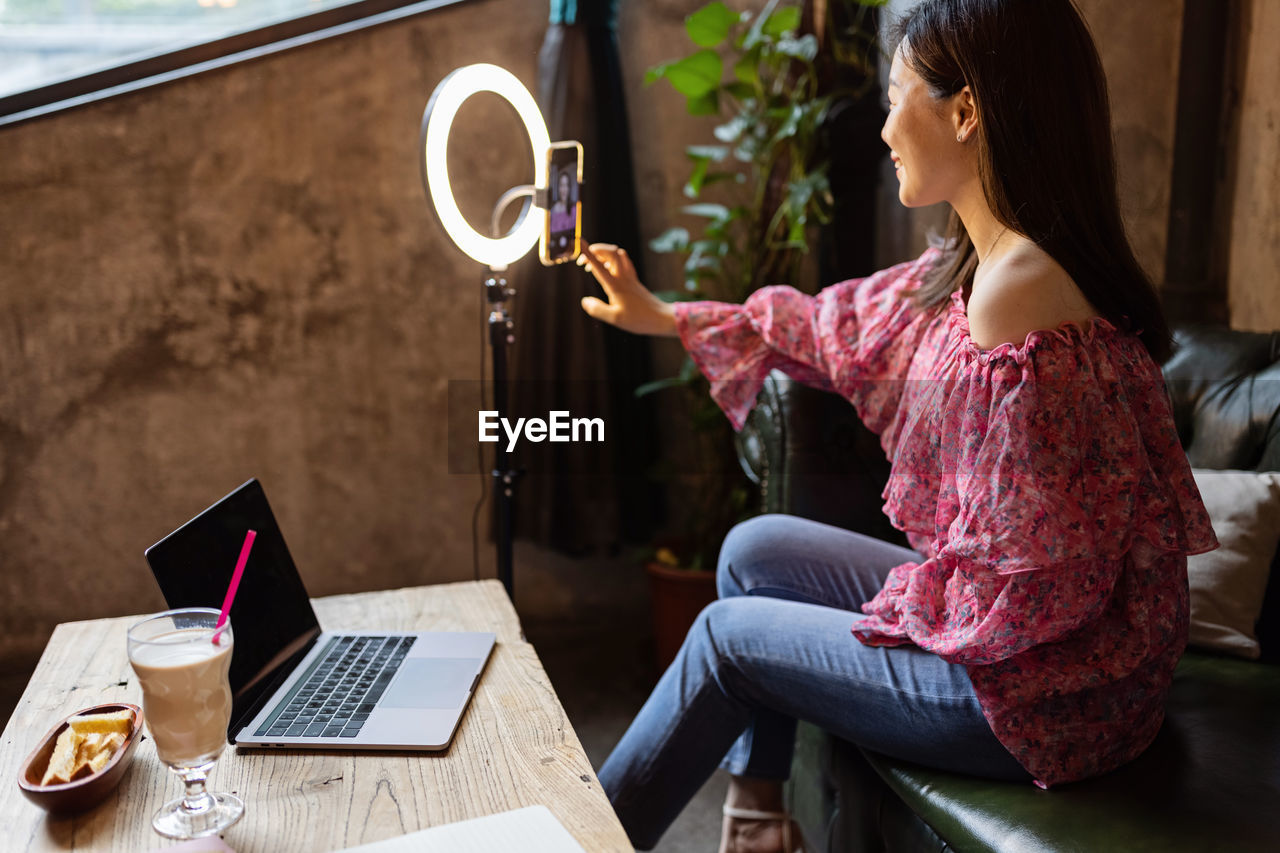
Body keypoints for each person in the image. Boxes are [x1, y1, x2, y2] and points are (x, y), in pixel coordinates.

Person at [575, 1, 1219, 851]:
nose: (883, 129)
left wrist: (914, 610)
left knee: (725, 638)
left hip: (1038, 701)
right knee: (752, 549)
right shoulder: (986, 259)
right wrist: (668, 317)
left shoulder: (1020, 293)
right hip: (1030, 654)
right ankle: (759, 824)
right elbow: (841, 320)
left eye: (894, 97)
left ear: (965, 111)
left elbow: (1054, 582)